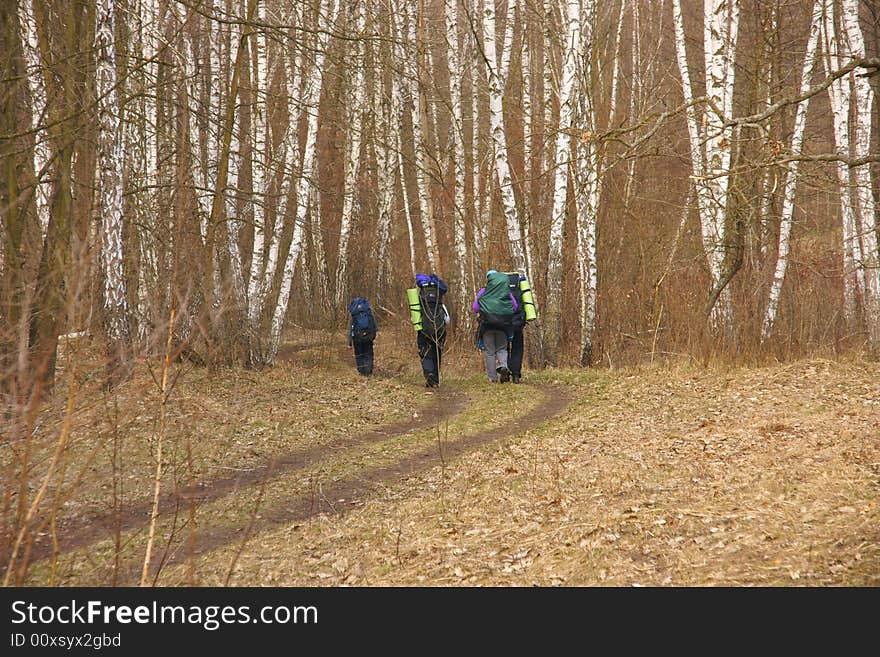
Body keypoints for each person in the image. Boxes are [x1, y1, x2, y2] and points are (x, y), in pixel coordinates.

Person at [473, 270, 519, 383]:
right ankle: (503, 366)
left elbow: (475, 308)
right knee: (502, 349)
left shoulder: (484, 291)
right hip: (503, 326)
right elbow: (515, 307)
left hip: (487, 325)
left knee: (490, 352)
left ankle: (492, 378)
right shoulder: (506, 292)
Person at [414, 273, 449, 387]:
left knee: (425, 353)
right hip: (439, 329)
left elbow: (414, 317)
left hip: (424, 330)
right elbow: (447, 319)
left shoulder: (419, 297)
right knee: (437, 352)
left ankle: (429, 374)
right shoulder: (439, 297)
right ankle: (436, 380)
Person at [505, 272, 528, 384]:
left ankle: (505, 371)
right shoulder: (520, 286)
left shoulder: (501, 287)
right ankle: (515, 374)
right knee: (517, 348)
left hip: (504, 323)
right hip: (518, 322)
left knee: (504, 348)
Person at [347, 297, 377, 376]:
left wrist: (349, 342)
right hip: (368, 336)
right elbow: (374, 324)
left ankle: (362, 371)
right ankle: (369, 370)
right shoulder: (368, 312)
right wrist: (373, 335)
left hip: (357, 338)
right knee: (368, 353)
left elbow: (350, 328)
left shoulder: (354, 314)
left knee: (359, 354)